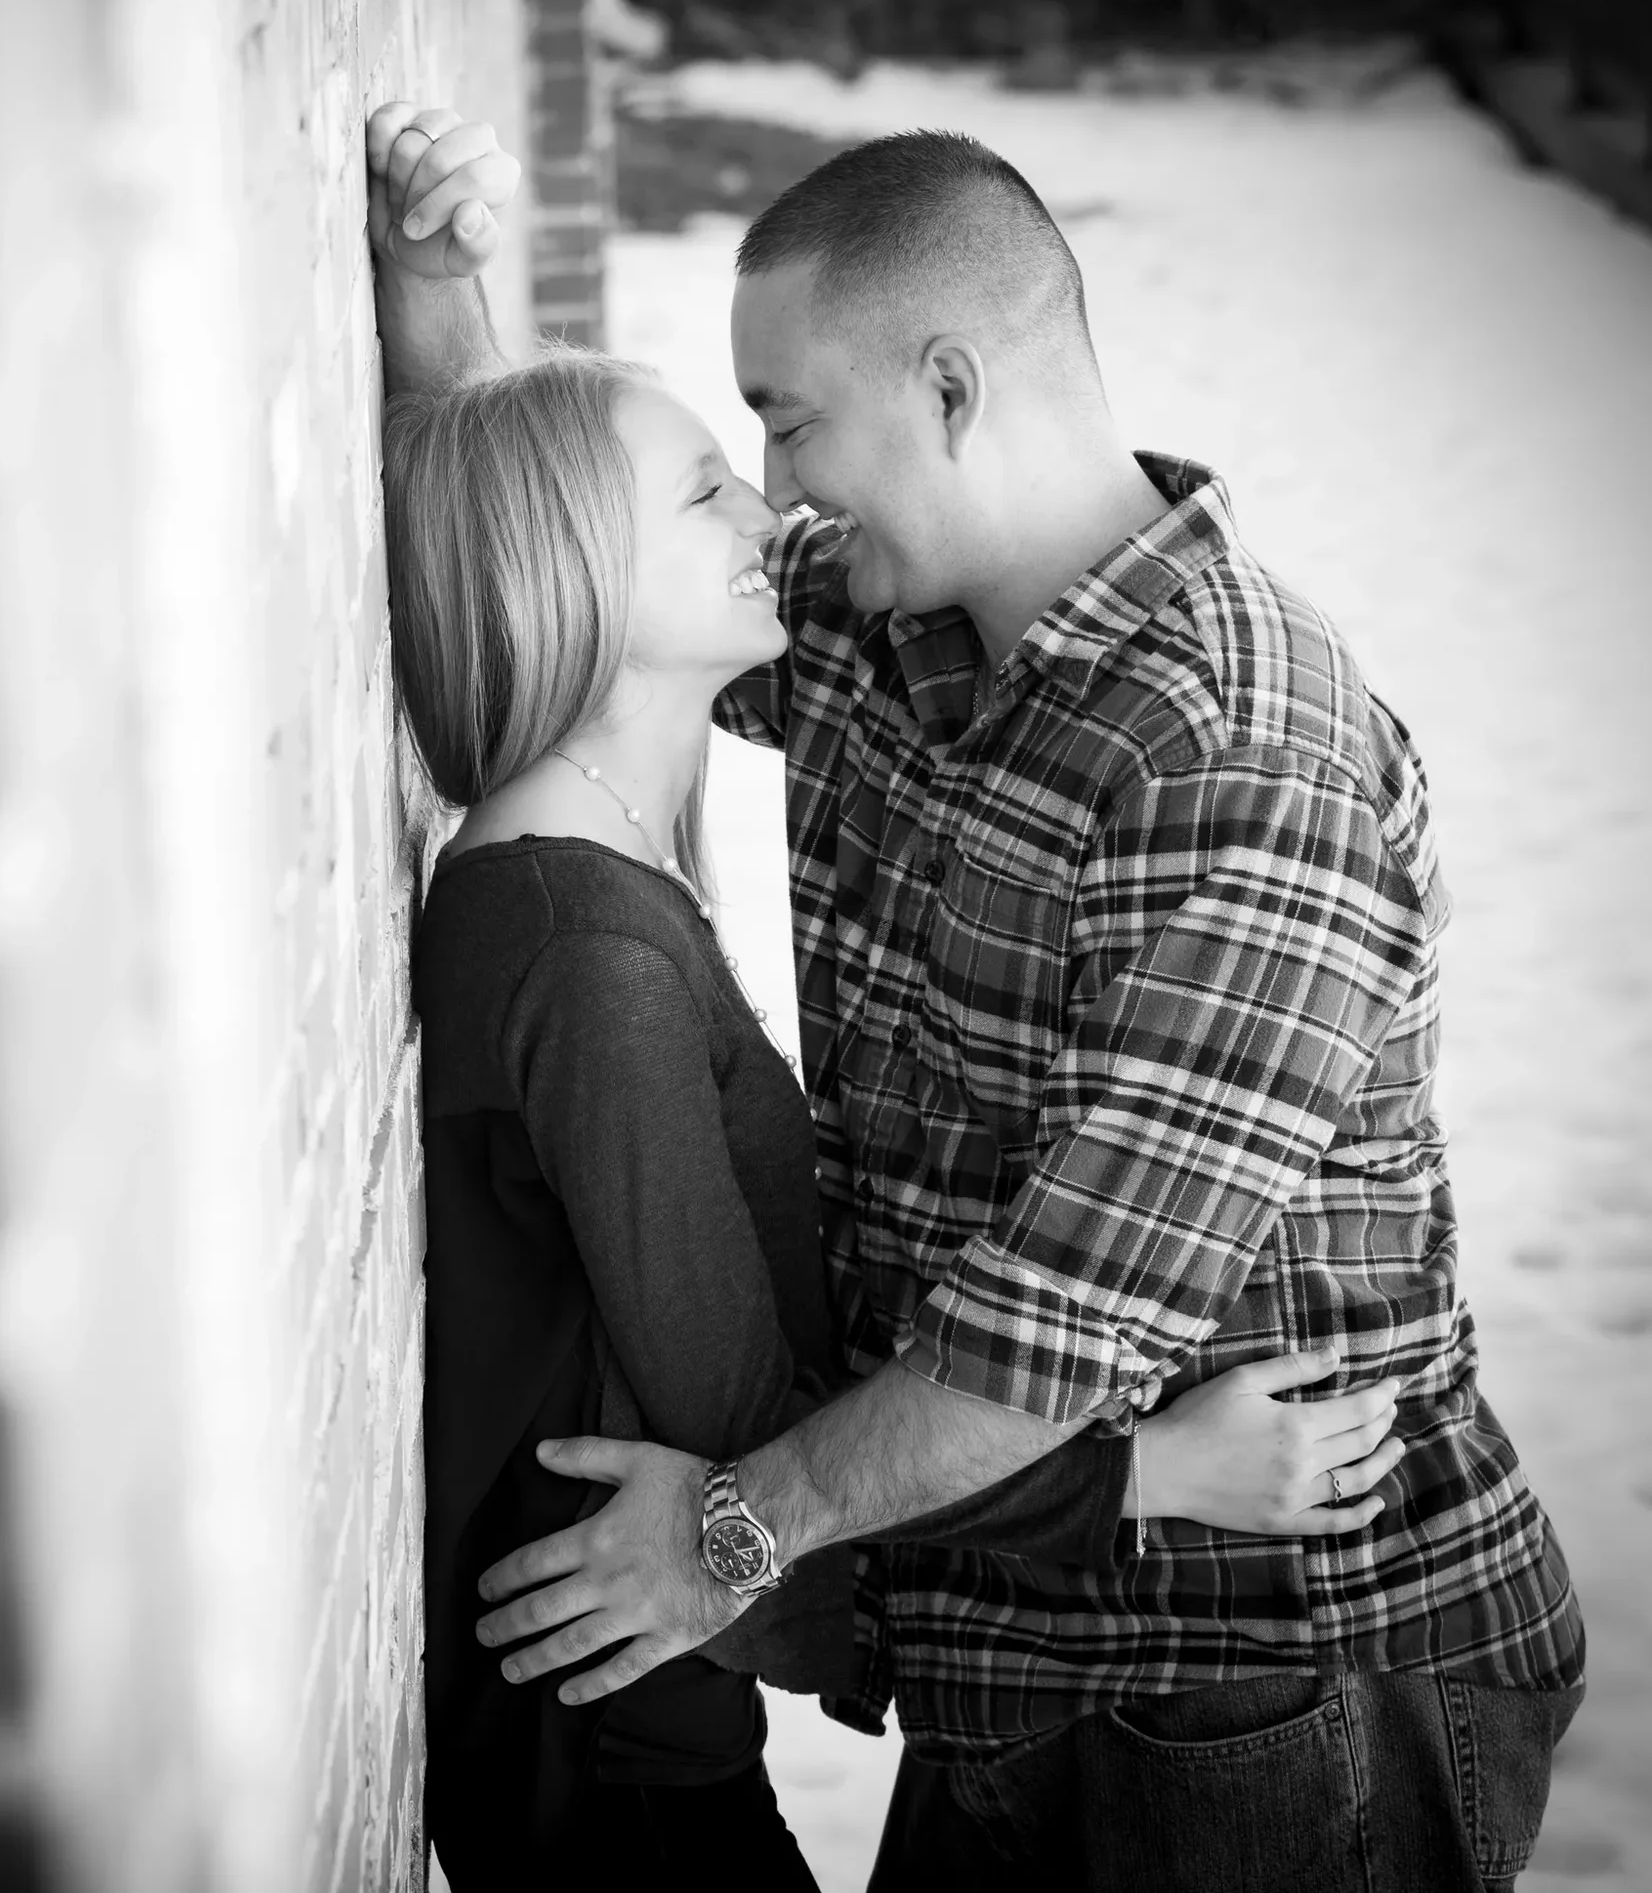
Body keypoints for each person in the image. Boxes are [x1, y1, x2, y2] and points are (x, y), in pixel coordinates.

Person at [368, 104, 1584, 1893]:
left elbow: (1058, 1335)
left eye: (786, 424)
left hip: (1276, 1686)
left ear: (948, 389)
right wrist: (442, 321)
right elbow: (582, 572)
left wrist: (726, 1531)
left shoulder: (1239, 748)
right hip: (1010, 1649)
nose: (773, 489)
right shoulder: (884, 618)